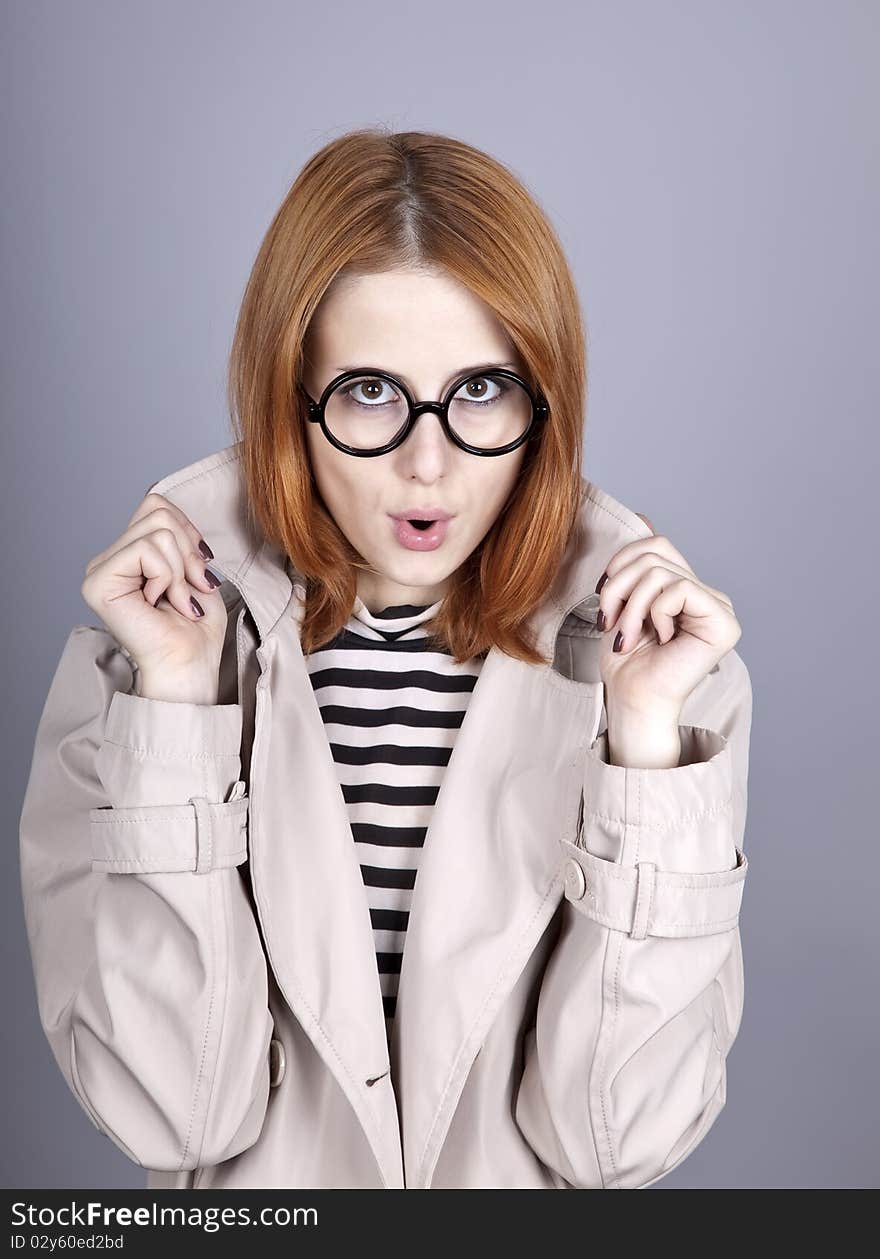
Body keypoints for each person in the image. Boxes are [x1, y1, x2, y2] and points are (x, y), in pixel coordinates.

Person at [19, 127, 752, 1190]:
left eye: (480, 391)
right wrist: (177, 704)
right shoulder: (131, 683)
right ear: (292, 400)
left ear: (543, 404)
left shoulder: (670, 689)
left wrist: (642, 747)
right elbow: (172, 1119)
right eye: (369, 391)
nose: (428, 460)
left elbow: (617, 1142)